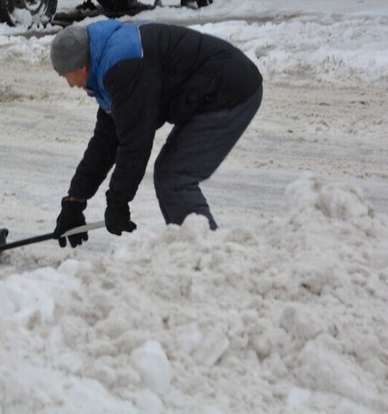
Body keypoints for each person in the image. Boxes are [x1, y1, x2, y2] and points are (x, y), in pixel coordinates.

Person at [50, 19, 262, 248]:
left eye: (65, 75)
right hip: (213, 90)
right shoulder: (106, 63)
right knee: (169, 175)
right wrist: (74, 202)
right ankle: (190, 250)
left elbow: (135, 142)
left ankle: (210, 255)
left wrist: (118, 201)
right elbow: (106, 141)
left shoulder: (123, 64)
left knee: (175, 176)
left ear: (80, 66)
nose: (69, 84)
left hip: (229, 90)